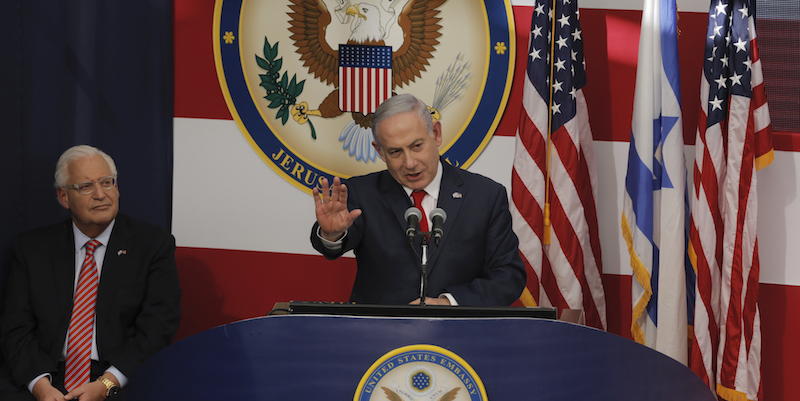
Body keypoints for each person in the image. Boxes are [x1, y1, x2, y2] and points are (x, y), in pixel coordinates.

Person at [0, 145, 181, 401]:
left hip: (118, 375)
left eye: (107, 183)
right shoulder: (32, 249)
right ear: (64, 197)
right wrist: (41, 387)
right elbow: (15, 328)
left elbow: (158, 328)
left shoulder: (152, 245)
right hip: (46, 374)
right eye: (86, 186)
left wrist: (107, 383)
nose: (100, 194)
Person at [311, 94, 525, 306]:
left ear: (436, 133)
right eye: (395, 152)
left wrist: (449, 303)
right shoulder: (361, 193)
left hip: (459, 332)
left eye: (416, 146)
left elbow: (508, 277)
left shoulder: (485, 196)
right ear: (380, 152)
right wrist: (332, 235)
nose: (410, 163)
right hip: (381, 334)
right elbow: (334, 246)